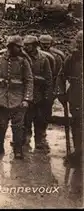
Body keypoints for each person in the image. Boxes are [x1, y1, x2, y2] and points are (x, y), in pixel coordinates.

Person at [0, 35, 34, 160]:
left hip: (18, 98)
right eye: (18, 47)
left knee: (18, 126)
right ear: (10, 46)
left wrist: (26, 99)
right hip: (0, 98)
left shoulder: (24, 62)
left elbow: (29, 81)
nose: (20, 49)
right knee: (0, 124)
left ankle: (18, 150)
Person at [56, 30, 83, 168]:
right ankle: (78, 152)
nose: (80, 45)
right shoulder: (72, 58)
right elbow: (61, 76)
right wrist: (61, 92)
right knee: (77, 124)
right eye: (79, 42)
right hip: (77, 95)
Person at [22, 35, 53, 151]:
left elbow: (48, 79)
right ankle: (24, 139)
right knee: (25, 118)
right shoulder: (21, 57)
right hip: (24, 93)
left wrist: (47, 96)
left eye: (28, 45)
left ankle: (40, 140)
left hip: (38, 93)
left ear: (35, 46)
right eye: (24, 45)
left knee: (40, 118)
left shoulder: (43, 59)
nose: (25, 48)